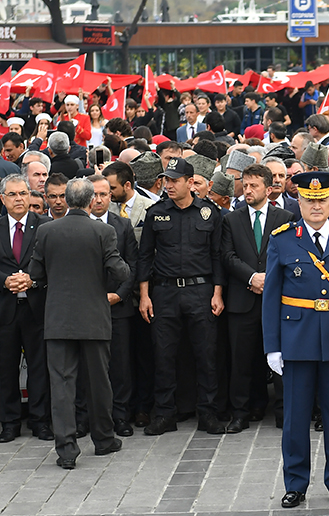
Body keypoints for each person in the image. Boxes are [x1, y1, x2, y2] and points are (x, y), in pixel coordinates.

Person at [262, 171, 329, 508]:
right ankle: (295, 483)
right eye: (309, 200)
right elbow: (271, 297)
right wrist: (272, 347)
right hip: (296, 339)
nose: (316, 206)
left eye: (322, 200)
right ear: (299, 202)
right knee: (295, 418)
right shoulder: (282, 238)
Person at [29, 177, 130, 469]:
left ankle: (66, 450)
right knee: (99, 382)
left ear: (68, 201)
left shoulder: (47, 231)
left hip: (58, 319)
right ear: (89, 201)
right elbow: (119, 271)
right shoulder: (104, 230)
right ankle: (103, 439)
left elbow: (36, 272)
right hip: (94, 319)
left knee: (61, 385)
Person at [136, 158, 227, 435]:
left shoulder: (209, 213)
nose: (169, 185)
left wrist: (218, 293)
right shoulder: (156, 213)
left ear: (190, 182)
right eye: (167, 180)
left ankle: (208, 413)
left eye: (175, 180)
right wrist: (144, 295)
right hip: (164, 291)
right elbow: (144, 256)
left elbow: (217, 257)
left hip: (201, 290)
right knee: (163, 354)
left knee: (206, 354)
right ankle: (165, 414)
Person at [0, 173, 54, 443]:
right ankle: (9, 422)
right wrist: (5, 280)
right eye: (13, 195)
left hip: (36, 307)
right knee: (6, 367)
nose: (19, 199)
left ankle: (40, 420)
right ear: (2, 199)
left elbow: (51, 263)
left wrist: (31, 279)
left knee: (39, 366)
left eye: (23, 193)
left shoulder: (44, 226)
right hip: (4, 308)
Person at [222, 164, 294, 432]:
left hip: (276, 301)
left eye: (254, 185)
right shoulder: (231, 219)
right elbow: (227, 256)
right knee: (241, 360)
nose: (248, 190)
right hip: (243, 300)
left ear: (269, 188)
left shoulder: (285, 218)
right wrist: (252, 278)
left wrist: (269, 280)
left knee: (280, 358)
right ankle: (240, 413)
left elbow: (289, 256)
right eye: (245, 184)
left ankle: (284, 413)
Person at [88, 175, 141, 436]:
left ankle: (120, 416)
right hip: (86, 308)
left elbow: (132, 265)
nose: (99, 199)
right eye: (94, 194)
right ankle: (89, 416)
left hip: (118, 307)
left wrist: (119, 295)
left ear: (111, 196)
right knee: (90, 365)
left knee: (120, 364)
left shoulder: (123, 226)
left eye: (104, 194)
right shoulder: (77, 225)